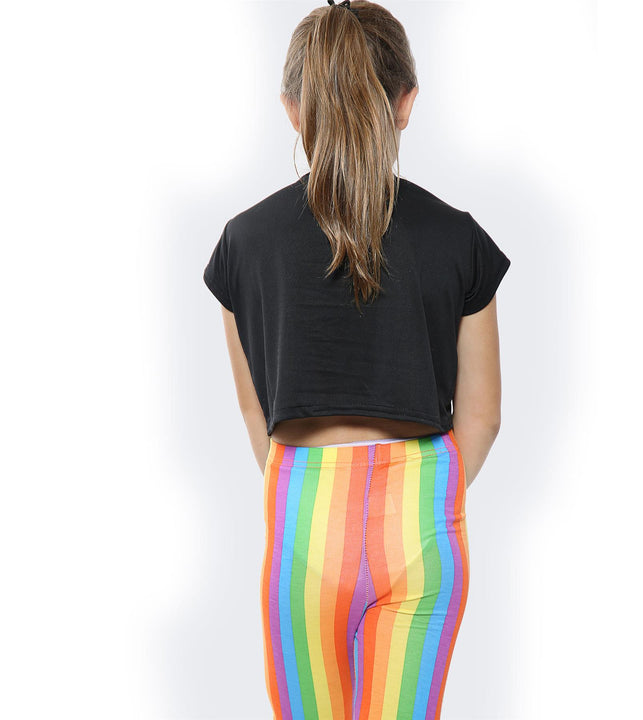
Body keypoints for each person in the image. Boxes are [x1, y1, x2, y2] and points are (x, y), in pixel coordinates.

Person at [202, 1, 511, 716]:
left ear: (292, 110)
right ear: (406, 103)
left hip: (304, 514)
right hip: (421, 515)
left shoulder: (243, 244)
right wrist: (421, 500)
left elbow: (255, 410)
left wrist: (315, 500)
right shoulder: (459, 238)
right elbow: (484, 417)